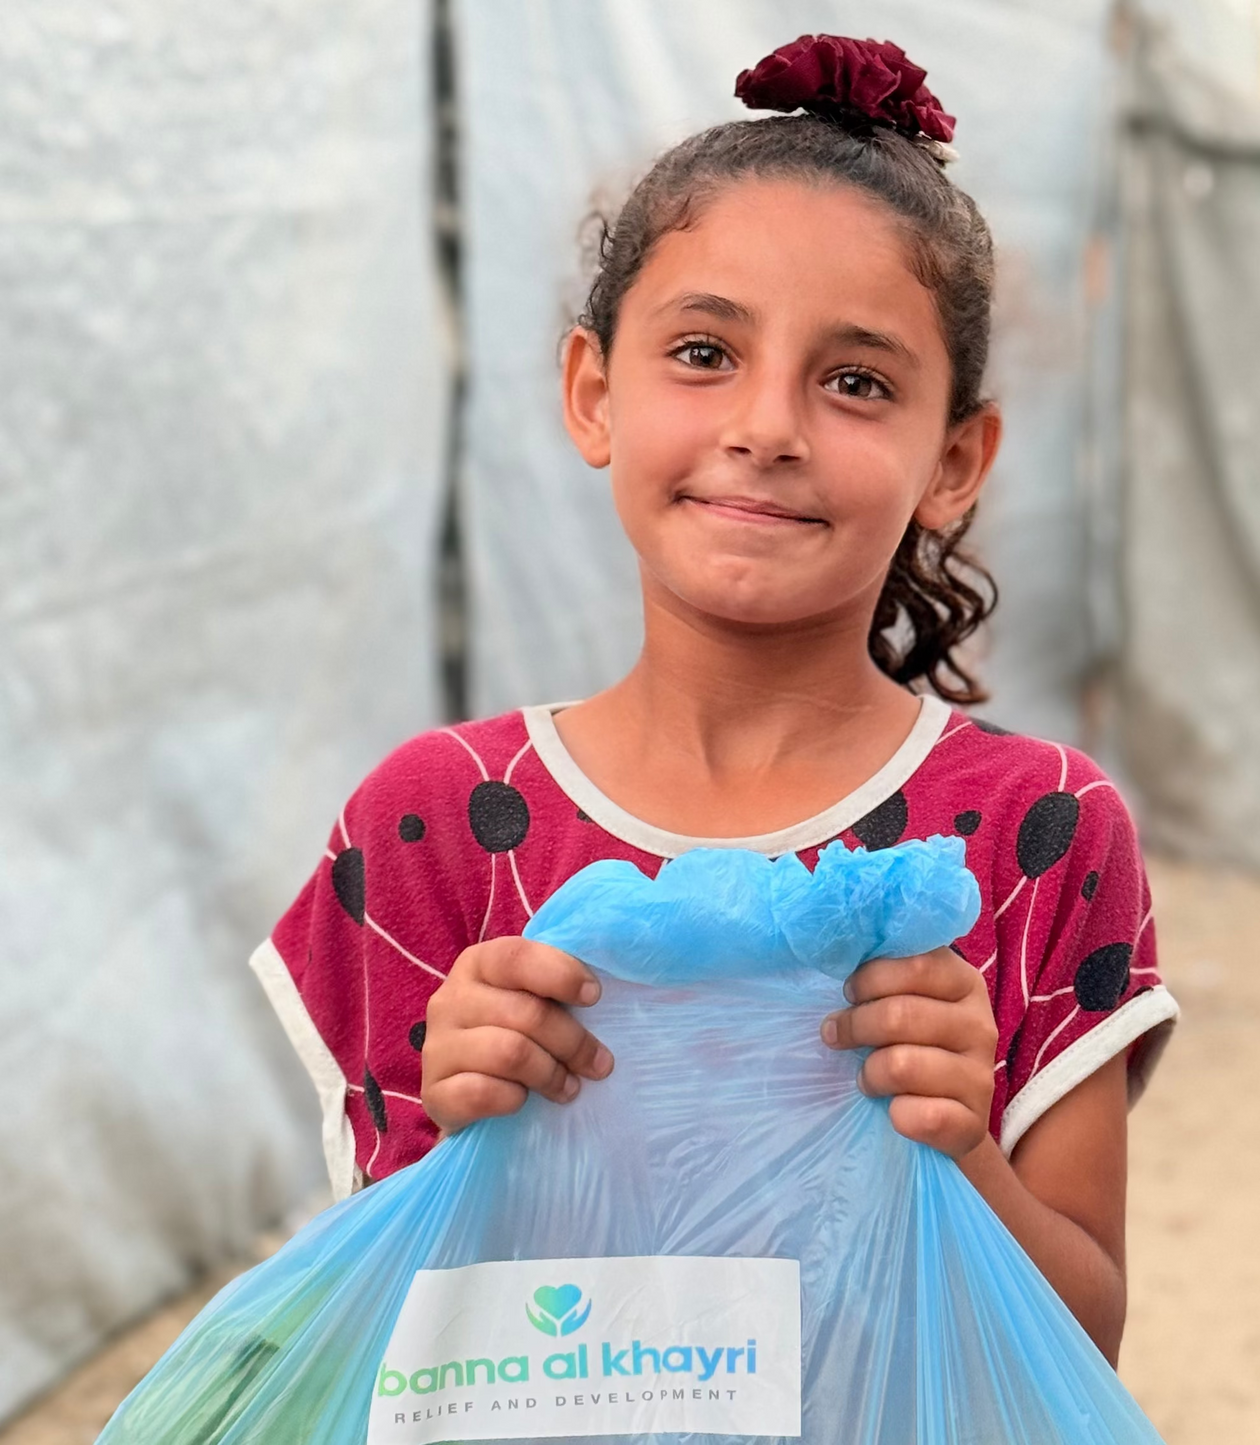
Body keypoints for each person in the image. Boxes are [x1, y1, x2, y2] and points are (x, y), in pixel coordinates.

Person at [250, 34, 1178, 1368]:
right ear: (593, 394)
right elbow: (373, 1343)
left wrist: (961, 1146)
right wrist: (461, 1131)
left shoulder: (1040, 835)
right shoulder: (436, 825)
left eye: (856, 381)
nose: (768, 427)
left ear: (954, 462)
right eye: (702, 352)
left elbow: (1080, 1347)